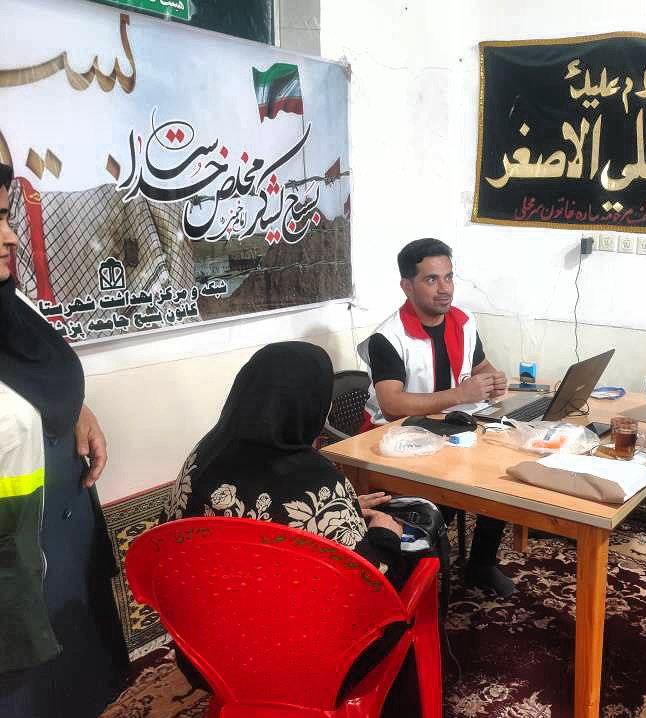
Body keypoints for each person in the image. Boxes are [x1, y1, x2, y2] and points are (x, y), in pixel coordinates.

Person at [159, 341, 417, 707]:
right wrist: (384, 534)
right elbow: (372, 578)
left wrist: (340, 509)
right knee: (414, 561)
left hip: (207, 654)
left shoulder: (204, 453)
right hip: (304, 668)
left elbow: (240, 525)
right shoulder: (315, 478)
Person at [0, 161, 129, 717]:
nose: (10, 237)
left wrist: (76, 408)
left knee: (78, 677)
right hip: (13, 563)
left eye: (5, 216)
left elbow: (35, 375)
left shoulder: (14, 304)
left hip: (61, 534)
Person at [358, 237, 515, 597]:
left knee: (503, 473)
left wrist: (493, 378)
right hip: (397, 439)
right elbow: (392, 403)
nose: (445, 289)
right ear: (407, 285)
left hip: (448, 428)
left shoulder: (463, 321)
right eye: (431, 279)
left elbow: (480, 366)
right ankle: (419, 568)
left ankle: (481, 564)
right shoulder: (388, 337)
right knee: (462, 487)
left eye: (449, 277)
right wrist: (460, 395)